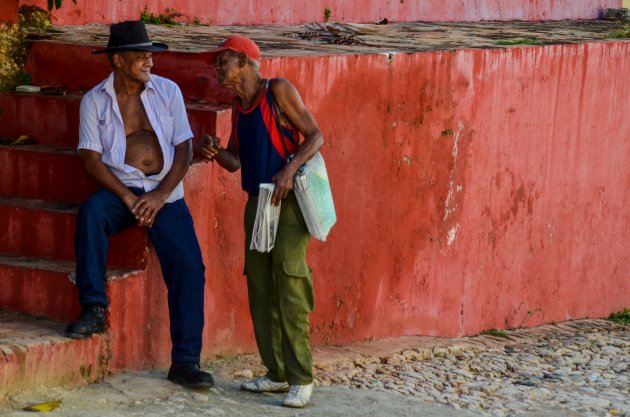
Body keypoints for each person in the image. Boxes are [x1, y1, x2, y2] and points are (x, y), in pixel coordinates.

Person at [64, 20, 213, 388]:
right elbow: (91, 159)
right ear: (117, 60)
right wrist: (129, 197)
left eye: (151, 54)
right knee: (91, 214)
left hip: (165, 193)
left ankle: (185, 362)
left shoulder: (167, 91)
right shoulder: (94, 101)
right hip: (123, 190)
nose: (150, 61)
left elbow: (184, 148)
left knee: (190, 266)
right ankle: (94, 307)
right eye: (141, 55)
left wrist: (160, 195)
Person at [199, 35, 323, 408]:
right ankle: (276, 372)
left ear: (244, 60)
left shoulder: (277, 90)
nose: (217, 68)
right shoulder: (239, 107)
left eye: (223, 61)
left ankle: (302, 377)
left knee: (289, 284)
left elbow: (315, 136)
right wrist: (216, 151)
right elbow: (235, 162)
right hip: (258, 203)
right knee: (260, 289)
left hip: (287, 201)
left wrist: (289, 170)